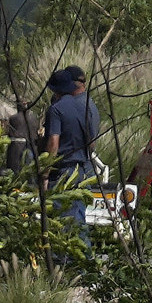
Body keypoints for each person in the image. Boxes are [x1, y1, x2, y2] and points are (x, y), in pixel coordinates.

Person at [43, 68, 98, 238]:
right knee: (78, 218)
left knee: (65, 221)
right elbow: (92, 142)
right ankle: (83, 260)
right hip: (82, 168)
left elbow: (53, 144)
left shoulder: (56, 110)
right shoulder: (85, 106)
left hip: (65, 171)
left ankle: (71, 262)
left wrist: (45, 174)